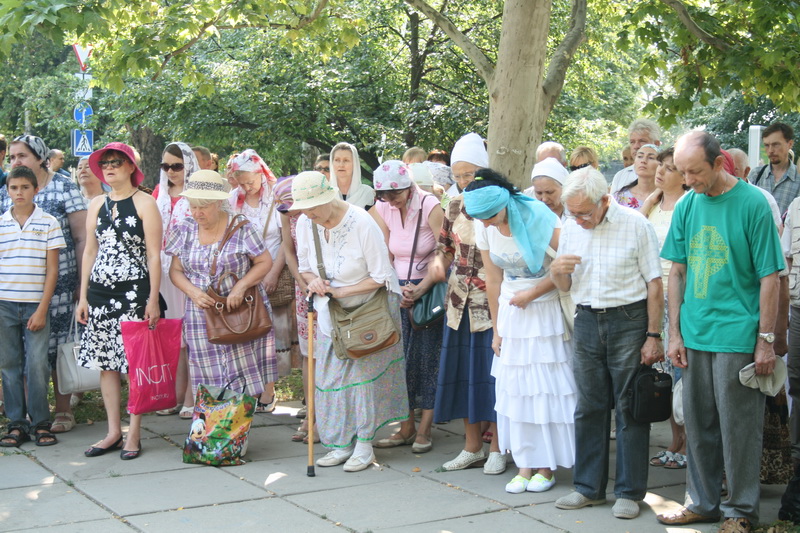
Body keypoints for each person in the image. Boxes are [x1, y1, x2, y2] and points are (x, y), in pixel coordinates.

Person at [656, 132, 784, 533]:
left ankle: (740, 511)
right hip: (694, 334)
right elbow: (677, 272)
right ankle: (702, 502)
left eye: (695, 172)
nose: (688, 180)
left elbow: (770, 277)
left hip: (737, 334)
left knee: (738, 429)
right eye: (682, 172)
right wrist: (674, 334)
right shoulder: (687, 205)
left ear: (718, 163)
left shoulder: (753, 204)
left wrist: (765, 341)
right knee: (698, 426)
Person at [550, 167, 663, 520]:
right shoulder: (571, 226)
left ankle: (629, 492)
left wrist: (654, 335)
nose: (579, 220)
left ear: (604, 200)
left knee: (629, 407)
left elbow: (655, 284)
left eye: (584, 212)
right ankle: (588, 488)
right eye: (573, 213)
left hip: (628, 319)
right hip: (586, 319)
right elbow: (565, 286)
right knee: (588, 406)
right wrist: (557, 272)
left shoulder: (636, 224)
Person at [464, 169, 576, 494]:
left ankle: (546, 466)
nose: (486, 224)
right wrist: (497, 330)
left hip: (545, 313)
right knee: (516, 392)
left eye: (489, 217)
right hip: (512, 313)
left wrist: (533, 294)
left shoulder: (539, 214)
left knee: (544, 390)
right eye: (480, 219)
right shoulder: (484, 225)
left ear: (503, 205)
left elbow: (567, 265)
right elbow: (493, 279)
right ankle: (524, 463)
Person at [293, 171, 408, 472]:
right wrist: (314, 282)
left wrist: (341, 291)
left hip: (369, 310)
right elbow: (305, 267)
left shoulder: (361, 222)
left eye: (313, 208)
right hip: (331, 311)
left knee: (362, 381)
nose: (309, 214)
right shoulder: (306, 222)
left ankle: (365, 445)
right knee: (330, 379)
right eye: (304, 209)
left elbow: (381, 276)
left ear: (329, 198)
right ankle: (341, 443)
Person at [77, 142, 162, 460]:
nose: (109, 167)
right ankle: (113, 432)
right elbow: (90, 251)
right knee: (106, 364)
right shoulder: (96, 203)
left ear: (130, 167)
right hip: (100, 293)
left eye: (116, 161)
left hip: (134, 292)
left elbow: (154, 255)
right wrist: (83, 296)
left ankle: (134, 433)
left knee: (134, 365)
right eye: (105, 163)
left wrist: (153, 299)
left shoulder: (145, 203)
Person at [166, 170, 276, 408]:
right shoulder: (184, 229)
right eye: (193, 206)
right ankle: (212, 426)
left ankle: (236, 427)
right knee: (207, 376)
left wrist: (241, 286)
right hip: (201, 314)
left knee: (240, 376)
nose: (197, 213)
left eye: (203, 207)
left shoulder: (241, 227)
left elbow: (264, 262)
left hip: (239, 312)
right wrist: (193, 292)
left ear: (218, 203)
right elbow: (175, 271)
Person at [0, 135, 87, 434]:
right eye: (12, 157)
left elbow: (82, 237)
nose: (15, 161)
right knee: (21, 355)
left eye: (22, 156)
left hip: (60, 283)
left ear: (40, 157)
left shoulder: (64, 186)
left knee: (58, 348)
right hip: (15, 289)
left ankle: (62, 410)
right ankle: (24, 416)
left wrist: (81, 281)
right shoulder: (7, 190)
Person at [430, 134, 504, 475]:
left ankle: (498, 446)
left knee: (492, 376)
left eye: (469, 174)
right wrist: (439, 263)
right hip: (458, 303)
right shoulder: (453, 204)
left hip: (490, 303)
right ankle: (471, 446)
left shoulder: (499, 202)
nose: (462, 181)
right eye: (457, 175)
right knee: (463, 375)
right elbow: (445, 245)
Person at [369, 161, 444, 454]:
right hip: (397, 291)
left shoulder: (429, 205)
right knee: (400, 363)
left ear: (409, 187)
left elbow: (445, 252)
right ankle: (406, 426)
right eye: (384, 195)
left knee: (427, 361)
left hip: (428, 293)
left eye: (395, 194)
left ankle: (425, 428)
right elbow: (382, 252)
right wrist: (395, 288)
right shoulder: (383, 207)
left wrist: (420, 288)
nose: (391, 201)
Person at [0, 166, 65, 447]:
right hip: (4, 305)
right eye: (14, 188)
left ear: (36, 190)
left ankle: (40, 423)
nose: (19, 193)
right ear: (7, 190)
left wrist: (42, 308)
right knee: (9, 364)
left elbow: (53, 270)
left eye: (25, 187)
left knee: (37, 364)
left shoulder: (48, 222)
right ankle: (16, 423)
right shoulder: (1, 223)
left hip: (35, 305)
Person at [640, 147, 689, 470]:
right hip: (652, 296)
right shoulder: (653, 204)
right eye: (661, 165)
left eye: (669, 168)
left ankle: (688, 443)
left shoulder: (688, 204)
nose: (660, 170)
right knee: (664, 374)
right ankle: (675, 440)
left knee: (682, 371)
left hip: (679, 296)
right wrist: (647, 204)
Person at [228, 149, 283, 412]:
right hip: (242, 276)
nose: (247, 188)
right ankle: (248, 388)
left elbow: (286, 240)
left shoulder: (275, 195)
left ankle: (269, 390)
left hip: (271, 272)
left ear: (260, 173)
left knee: (267, 334)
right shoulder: (233, 199)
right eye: (242, 183)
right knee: (245, 333)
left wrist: (273, 272)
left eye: (250, 182)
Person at [153, 142, 200, 418]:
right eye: (166, 166)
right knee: (172, 336)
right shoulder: (159, 193)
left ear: (189, 165)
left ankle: (192, 395)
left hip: (189, 270)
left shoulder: (197, 192)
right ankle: (175, 393)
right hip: (162, 271)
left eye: (177, 166)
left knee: (192, 334)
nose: (170, 171)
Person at [748, 122, 799, 214]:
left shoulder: (798, 176)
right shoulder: (756, 175)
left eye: (776, 144)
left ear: (790, 144)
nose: (770, 150)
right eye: (767, 145)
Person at [609, 119, 663, 194]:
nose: (636, 146)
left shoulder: (667, 175)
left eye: (642, 141)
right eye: (632, 142)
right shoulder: (620, 176)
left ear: (656, 144)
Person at [330, 142, 375, 210]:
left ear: (355, 163)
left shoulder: (367, 193)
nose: (341, 165)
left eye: (346, 160)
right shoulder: (324, 193)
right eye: (337, 160)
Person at [614, 144, 659, 210]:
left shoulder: (666, 197)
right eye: (640, 156)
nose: (643, 161)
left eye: (651, 158)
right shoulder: (621, 197)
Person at [445, 133, 489, 202]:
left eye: (467, 175)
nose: (462, 182)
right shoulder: (451, 197)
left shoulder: (498, 195)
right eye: (457, 177)